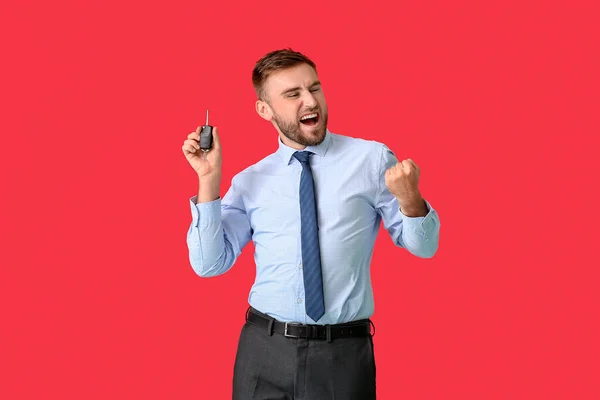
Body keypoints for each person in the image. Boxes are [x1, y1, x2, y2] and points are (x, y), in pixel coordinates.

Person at [181, 48, 441, 400]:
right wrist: (209, 181)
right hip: (264, 350)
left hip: (342, 355)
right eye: (293, 94)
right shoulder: (249, 181)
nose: (310, 101)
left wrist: (411, 198)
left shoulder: (371, 159)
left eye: (314, 88)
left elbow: (424, 248)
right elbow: (209, 264)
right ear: (264, 109)